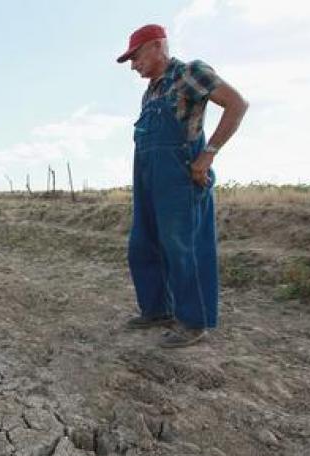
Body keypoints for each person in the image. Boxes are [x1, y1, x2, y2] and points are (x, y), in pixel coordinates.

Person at [117, 24, 248, 348]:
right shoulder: (151, 91)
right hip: (148, 175)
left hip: (180, 175)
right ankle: (158, 309)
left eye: (135, 57)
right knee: (142, 244)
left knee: (183, 246)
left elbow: (237, 104)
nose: (133, 65)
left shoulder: (190, 73)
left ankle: (193, 321)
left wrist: (208, 155)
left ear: (157, 46)